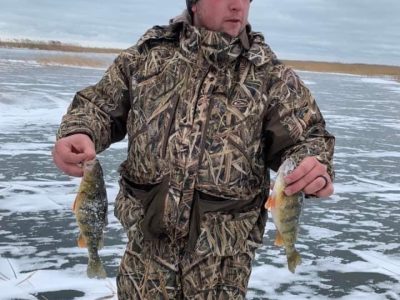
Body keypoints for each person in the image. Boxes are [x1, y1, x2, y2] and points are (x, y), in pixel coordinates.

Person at [52, 0, 335, 298]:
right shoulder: (147, 57)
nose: (237, 6)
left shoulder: (271, 77)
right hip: (144, 259)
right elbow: (97, 105)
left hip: (223, 268)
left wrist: (314, 166)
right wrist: (78, 132)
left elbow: (309, 139)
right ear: (195, 4)